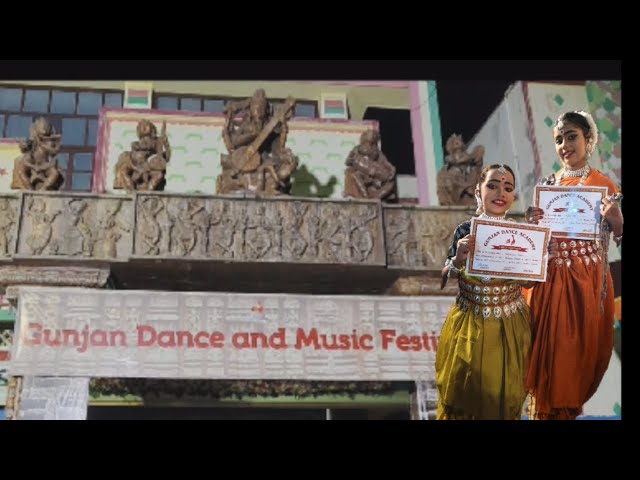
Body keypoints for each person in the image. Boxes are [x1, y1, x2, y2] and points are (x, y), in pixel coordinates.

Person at [524, 110, 623, 420]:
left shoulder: (603, 184)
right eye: (558, 139)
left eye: (571, 136)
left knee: (572, 361)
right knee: (548, 364)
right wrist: (533, 224)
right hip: (550, 284)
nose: (564, 144)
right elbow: (538, 240)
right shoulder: (548, 184)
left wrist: (617, 222)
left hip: (586, 286)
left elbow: (618, 234)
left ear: (588, 139)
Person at [436, 164, 536, 420]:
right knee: (463, 396)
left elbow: (528, 285)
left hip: (509, 328)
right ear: (478, 191)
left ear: (513, 196)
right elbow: (444, 278)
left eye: (508, 187)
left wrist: (542, 257)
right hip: (469, 325)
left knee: (504, 400)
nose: (500, 192)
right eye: (492, 185)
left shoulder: (521, 234)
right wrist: (458, 258)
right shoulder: (464, 231)